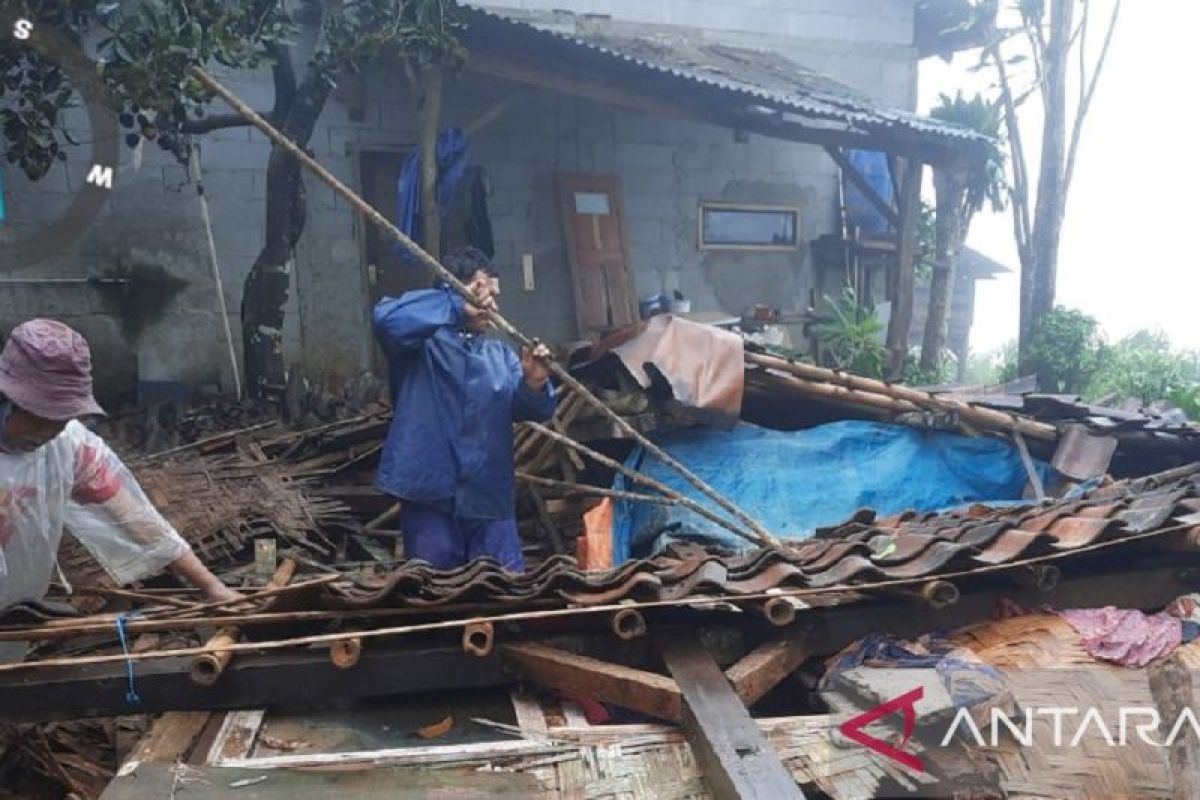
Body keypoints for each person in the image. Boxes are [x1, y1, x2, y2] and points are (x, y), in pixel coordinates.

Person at [0, 319, 240, 632]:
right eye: (41, 417)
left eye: (61, 419)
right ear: (8, 400)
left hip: (14, 624)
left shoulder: (68, 445)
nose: (50, 431)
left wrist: (211, 587)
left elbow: (133, 518)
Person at [373, 247, 556, 572]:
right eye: (483, 292)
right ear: (452, 290)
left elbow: (530, 409)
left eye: (495, 296)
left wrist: (535, 383)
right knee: (438, 596)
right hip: (430, 496)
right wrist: (455, 304)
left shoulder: (499, 354)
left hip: (488, 498)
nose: (493, 305)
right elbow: (386, 321)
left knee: (504, 593)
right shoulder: (419, 345)